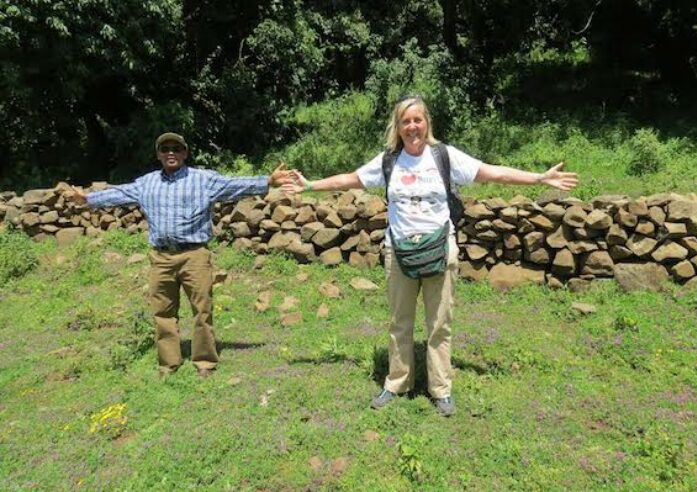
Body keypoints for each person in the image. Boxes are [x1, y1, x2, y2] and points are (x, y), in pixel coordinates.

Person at [282, 96, 578, 416]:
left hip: (440, 248)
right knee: (399, 323)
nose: (412, 127)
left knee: (439, 323)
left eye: (417, 120)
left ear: (427, 123)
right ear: (398, 127)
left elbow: (491, 172)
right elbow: (350, 179)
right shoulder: (388, 161)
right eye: (406, 121)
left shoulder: (443, 156)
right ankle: (397, 382)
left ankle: (440, 389)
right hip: (399, 252)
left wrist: (538, 178)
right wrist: (310, 184)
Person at [67, 132, 293, 378]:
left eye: (176, 148)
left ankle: (205, 362)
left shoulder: (203, 179)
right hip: (161, 258)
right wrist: (87, 199)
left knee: (202, 309)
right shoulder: (147, 183)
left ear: (185, 153)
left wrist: (268, 180)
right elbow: (119, 194)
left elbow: (234, 185)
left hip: (194, 255)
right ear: (159, 155)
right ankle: (168, 364)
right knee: (163, 312)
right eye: (165, 149)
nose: (170, 152)